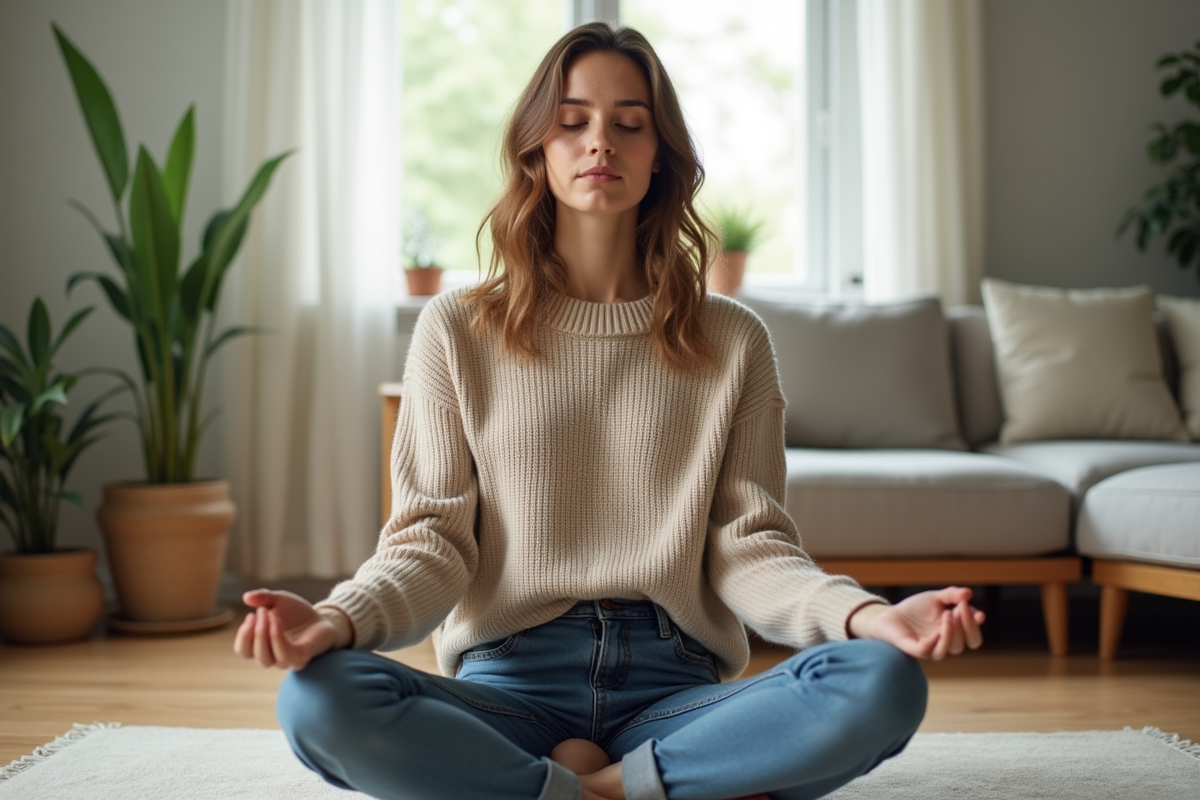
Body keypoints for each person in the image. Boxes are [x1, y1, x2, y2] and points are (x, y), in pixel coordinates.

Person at [234, 21, 985, 800]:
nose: (600, 141)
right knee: (318, 699)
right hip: (509, 685)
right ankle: (655, 787)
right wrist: (337, 619)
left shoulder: (733, 339)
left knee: (881, 681)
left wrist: (865, 617)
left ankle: (581, 788)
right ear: (537, 149)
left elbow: (750, 550)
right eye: (572, 121)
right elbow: (431, 542)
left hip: (675, 692)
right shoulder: (457, 328)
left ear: (660, 155)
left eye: (629, 123)